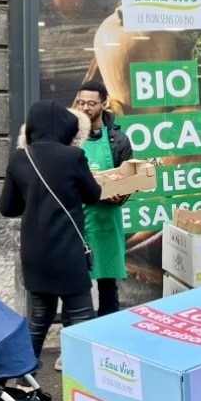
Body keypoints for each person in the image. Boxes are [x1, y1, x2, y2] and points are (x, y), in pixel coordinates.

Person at [0, 100, 102, 365]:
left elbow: (7, 208)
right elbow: (94, 195)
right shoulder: (73, 157)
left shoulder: (21, 158)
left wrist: (32, 198)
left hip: (35, 255)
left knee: (38, 319)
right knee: (80, 318)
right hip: (68, 252)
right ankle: (82, 382)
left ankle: (24, 379)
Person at [74, 80, 133, 320]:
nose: (85, 107)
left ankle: (109, 332)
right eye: (81, 102)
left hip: (107, 221)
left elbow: (130, 178)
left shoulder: (119, 141)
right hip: (79, 220)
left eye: (91, 103)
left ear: (104, 104)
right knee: (79, 285)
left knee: (108, 284)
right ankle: (83, 332)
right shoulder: (70, 137)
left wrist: (121, 195)